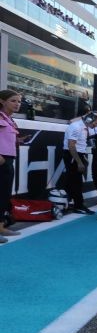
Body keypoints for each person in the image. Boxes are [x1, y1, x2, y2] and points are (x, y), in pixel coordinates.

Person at [62, 111, 97, 214]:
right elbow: (71, 146)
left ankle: (71, 203)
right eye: (96, 123)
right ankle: (78, 205)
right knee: (76, 182)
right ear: (89, 119)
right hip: (73, 156)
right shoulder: (76, 127)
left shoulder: (85, 127)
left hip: (77, 155)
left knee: (74, 181)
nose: (96, 126)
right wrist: (79, 162)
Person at [0, 90, 26, 241]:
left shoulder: (9, 119)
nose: (17, 104)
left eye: (19, 101)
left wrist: (19, 140)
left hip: (8, 160)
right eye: (13, 101)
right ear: (2, 101)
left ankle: (1, 227)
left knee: (4, 195)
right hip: (2, 160)